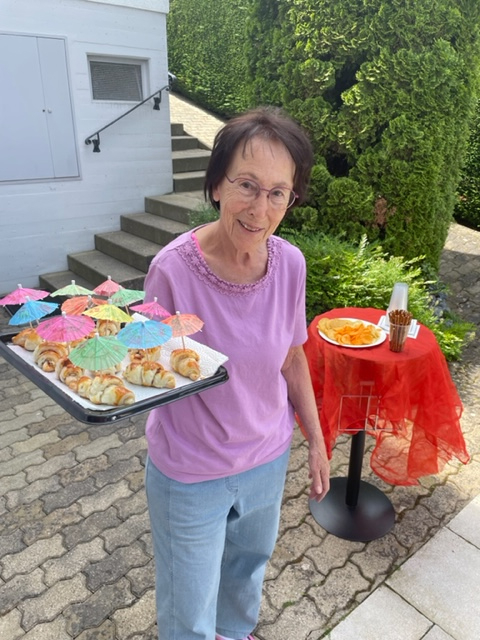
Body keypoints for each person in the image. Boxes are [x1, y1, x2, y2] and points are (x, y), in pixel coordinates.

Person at [143, 106, 330, 640]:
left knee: (246, 572)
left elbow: (292, 357)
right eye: (246, 185)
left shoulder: (290, 264)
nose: (260, 208)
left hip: (267, 458)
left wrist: (316, 442)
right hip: (191, 470)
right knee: (188, 607)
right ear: (216, 185)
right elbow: (148, 368)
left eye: (278, 193)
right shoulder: (172, 270)